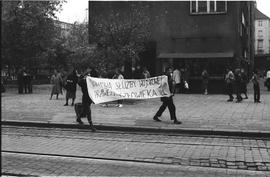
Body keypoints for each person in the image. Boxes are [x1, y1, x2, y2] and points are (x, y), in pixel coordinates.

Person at [77, 66, 96, 131]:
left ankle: (78, 118)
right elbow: (78, 81)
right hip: (85, 98)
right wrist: (83, 74)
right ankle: (91, 126)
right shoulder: (83, 82)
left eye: (90, 75)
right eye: (88, 76)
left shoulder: (91, 83)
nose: (89, 77)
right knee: (88, 111)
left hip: (89, 98)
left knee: (85, 111)